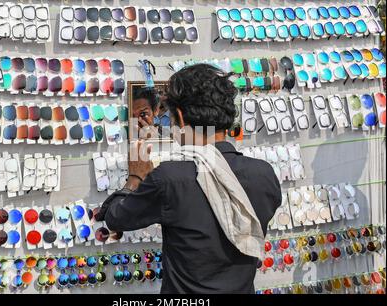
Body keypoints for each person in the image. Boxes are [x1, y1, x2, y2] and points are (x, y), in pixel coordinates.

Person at [96, 64, 282, 294]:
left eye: (171, 119)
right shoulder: (263, 174)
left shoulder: (169, 179)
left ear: (181, 118)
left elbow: (116, 218)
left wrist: (135, 178)